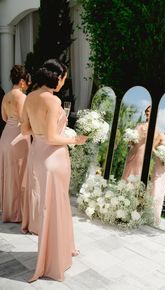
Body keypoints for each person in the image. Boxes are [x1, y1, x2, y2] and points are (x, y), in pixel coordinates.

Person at [21, 59, 87, 282]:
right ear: (57, 78)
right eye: (64, 78)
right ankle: (53, 259)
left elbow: (25, 129)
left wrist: (40, 130)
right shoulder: (53, 101)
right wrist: (75, 139)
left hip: (38, 155)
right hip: (54, 157)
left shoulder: (29, 97)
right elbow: (52, 137)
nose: (64, 81)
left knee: (49, 206)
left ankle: (59, 250)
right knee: (55, 206)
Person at [0, 65, 31, 222]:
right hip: (19, 137)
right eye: (27, 82)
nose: (28, 85)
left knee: (8, 174)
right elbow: (24, 120)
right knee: (19, 175)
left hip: (5, 136)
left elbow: (4, 117)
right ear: (21, 81)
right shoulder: (22, 97)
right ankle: (17, 213)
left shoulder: (6, 96)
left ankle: (7, 209)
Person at [122, 105, 151, 181]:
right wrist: (130, 138)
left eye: (149, 111)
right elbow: (132, 140)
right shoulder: (139, 124)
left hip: (142, 151)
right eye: (146, 111)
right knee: (128, 168)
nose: (147, 112)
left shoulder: (153, 127)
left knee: (138, 170)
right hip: (133, 150)